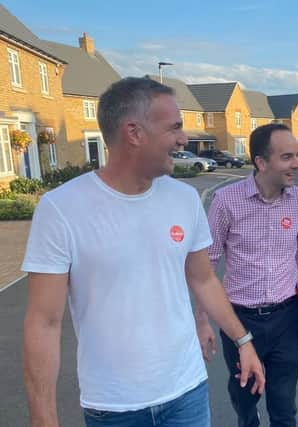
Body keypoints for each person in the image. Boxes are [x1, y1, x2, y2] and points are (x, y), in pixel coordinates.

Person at [22, 77, 265, 427]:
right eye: (175, 127)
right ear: (134, 133)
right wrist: (44, 418)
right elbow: (43, 322)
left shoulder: (184, 199)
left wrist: (243, 340)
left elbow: (204, 280)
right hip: (114, 406)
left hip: (187, 393)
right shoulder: (61, 208)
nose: (184, 139)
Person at [196, 123, 298, 427]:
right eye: (287, 157)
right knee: (245, 398)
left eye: (297, 155)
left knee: (285, 406)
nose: (297, 164)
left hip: (286, 317)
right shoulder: (226, 201)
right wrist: (202, 321)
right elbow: (207, 265)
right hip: (239, 320)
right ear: (261, 163)